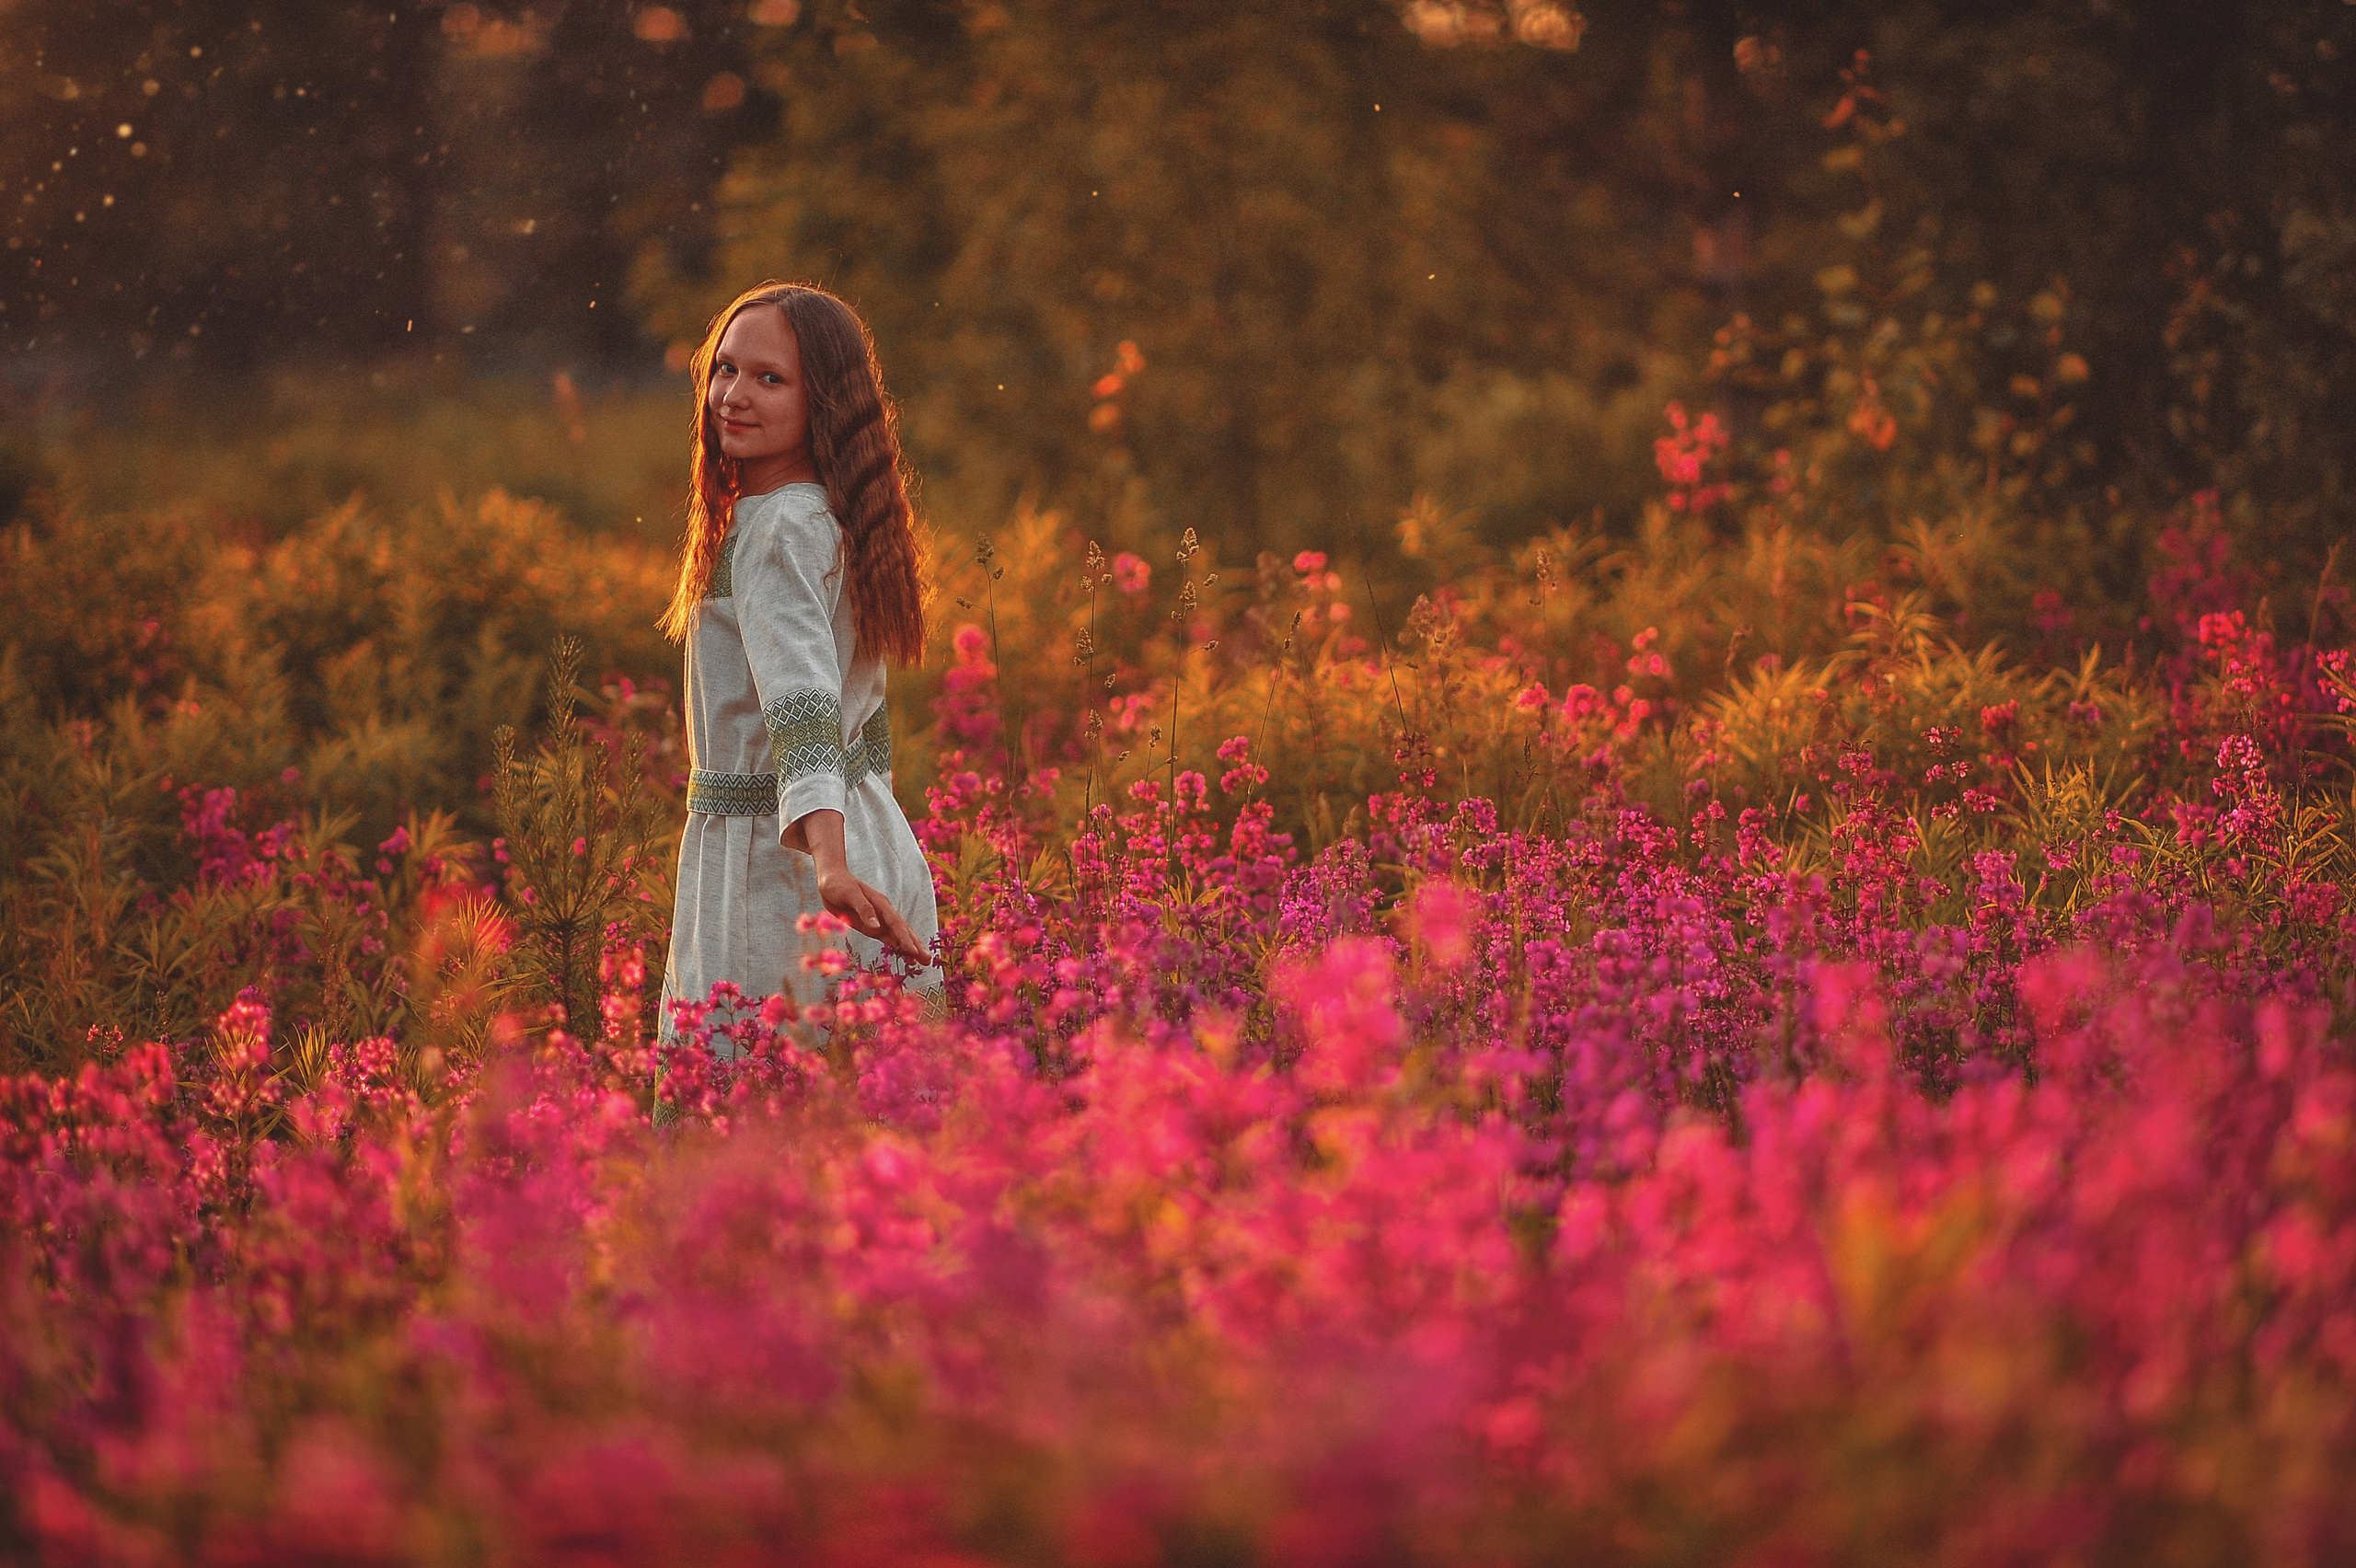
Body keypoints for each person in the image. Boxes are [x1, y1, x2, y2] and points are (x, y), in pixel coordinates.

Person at [655, 281, 941, 1048]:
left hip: (782, 867)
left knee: (759, 1101)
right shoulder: (827, 514)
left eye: (770, 378)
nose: (733, 396)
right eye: (725, 369)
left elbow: (804, 703)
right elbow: (858, 712)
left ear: (825, 402)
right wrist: (850, 847)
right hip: (861, 834)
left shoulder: (778, 529)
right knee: (875, 1102)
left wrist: (830, 866)